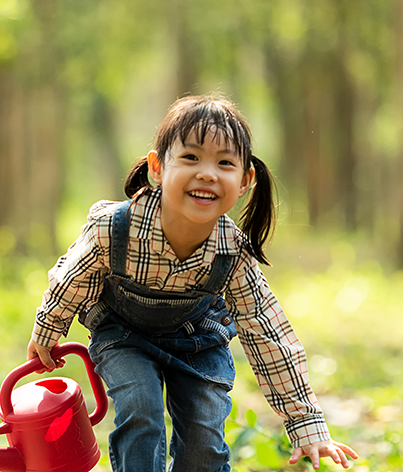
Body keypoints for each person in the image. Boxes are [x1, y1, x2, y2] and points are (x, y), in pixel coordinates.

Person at [27, 93, 357, 472]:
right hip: (123, 334)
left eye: (225, 163)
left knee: (203, 438)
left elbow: (267, 332)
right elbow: (72, 277)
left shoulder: (233, 254)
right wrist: (48, 330)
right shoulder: (115, 228)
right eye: (190, 157)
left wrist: (305, 423)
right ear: (157, 168)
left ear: (246, 179)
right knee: (140, 409)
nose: (208, 173)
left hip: (199, 339)